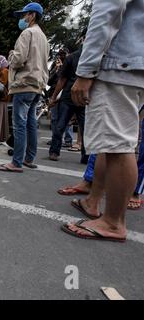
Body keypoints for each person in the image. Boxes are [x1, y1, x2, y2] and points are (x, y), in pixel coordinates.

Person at [61, 0, 144, 242]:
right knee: (109, 144)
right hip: (133, 63)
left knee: (118, 145)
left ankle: (113, 222)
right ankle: (93, 201)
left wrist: (85, 71)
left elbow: (107, 10)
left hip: (119, 64)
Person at [0, 2, 49, 173]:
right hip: (37, 85)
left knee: (19, 124)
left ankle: (16, 162)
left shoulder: (27, 33)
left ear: (32, 15)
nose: (22, 18)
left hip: (24, 83)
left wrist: (11, 55)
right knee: (31, 123)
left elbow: (18, 60)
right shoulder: (43, 37)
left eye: (24, 15)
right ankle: (28, 158)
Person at [48, 29, 88, 164]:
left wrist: (53, 98)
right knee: (67, 125)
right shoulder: (73, 57)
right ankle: (55, 151)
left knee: (67, 125)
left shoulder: (76, 57)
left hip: (81, 98)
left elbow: (62, 80)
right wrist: (54, 97)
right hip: (73, 97)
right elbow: (62, 80)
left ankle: (56, 151)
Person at [47, 48, 73, 148]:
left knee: (66, 118)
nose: (61, 56)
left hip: (66, 94)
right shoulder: (55, 65)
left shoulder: (70, 63)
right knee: (54, 118)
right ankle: (55, 138)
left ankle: (68, 139)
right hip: (54, 93)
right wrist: (57, 70)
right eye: (60, 54)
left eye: (63, 54)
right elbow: (49, 82)